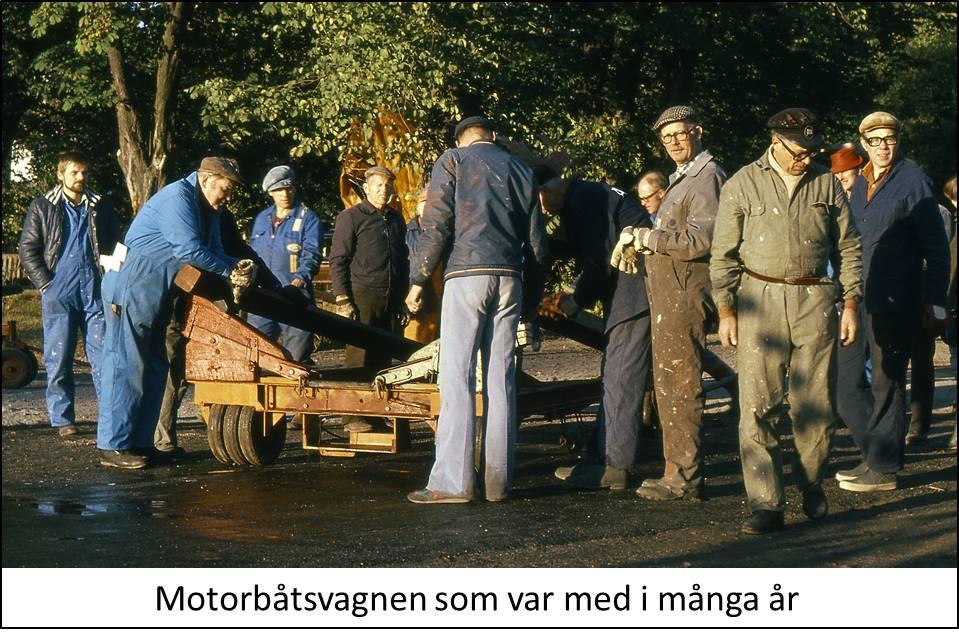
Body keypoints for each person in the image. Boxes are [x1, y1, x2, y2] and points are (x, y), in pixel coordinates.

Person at [710, 108, 862, 534]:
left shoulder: (827, 182)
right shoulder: (742, 183)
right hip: (760, 300)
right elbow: (722, 255)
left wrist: (850, 303)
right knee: (758, 407)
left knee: (817, 405)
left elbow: (848, 247)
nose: (805, 158)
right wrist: (725, 311)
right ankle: (767, 504)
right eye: (799, 150)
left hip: (816, 298)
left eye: (812, 150)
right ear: (776, 141)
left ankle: (812, 483)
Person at [405, 116, 549, 503]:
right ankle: (498, 483)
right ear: (494, 136)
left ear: (460, 140)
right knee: (500, 380)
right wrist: (531, 303)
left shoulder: (452, 161)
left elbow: (436, 224)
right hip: (511, 278)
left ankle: (454, 483)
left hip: (467, 274)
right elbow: (537, 242)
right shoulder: (520, 169)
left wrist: (418, 279)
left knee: (458, 376)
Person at [96, 157, 254, 469]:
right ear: (207, 179)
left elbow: (215, 249)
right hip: (132, 285)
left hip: (158, 291)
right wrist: (229, 270)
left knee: (155, 366)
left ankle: (142, 443)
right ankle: (113, 446)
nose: (228, 197)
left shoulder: (208, 208)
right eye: (226, 188)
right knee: (126, 363)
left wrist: (237, 267)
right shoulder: (177, 199)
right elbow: (190, 251)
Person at [836, 112, 949, 491]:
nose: (884, 146)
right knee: (846, 386)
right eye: (876, 140)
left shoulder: (914, 180)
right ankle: (877, 452)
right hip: (859, 297)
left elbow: (936, 247)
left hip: (898, 297)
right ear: (863, 143)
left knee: (887, 382)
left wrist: (935, 302)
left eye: (890, 139)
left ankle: (883, 469)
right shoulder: (860, 181)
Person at [630, 105, 726, 501]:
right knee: (670, 382)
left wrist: (650, 239)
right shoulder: (682, 179)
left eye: (679, 134)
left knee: (681, 383)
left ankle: (684, 478)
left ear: (698, 131)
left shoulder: (706, 178)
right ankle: (676, 471)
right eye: (666, 137)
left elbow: (701, 241)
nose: (672, 142)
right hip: (671, 292)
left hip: (686, 292)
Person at [538, 170, 653, 492]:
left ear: (548, 187)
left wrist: (574, 302)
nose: (543, 212)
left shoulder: (583, 200)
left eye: (539, 202)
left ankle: (615, 467)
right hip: (631, 292)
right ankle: (599, 458)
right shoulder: (589, 195)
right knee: (614, 376)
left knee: (621, 379)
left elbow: (598, 262)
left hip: (635, 293)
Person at [152, 208, 281, 460]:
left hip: (208, 303)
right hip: (175, 301)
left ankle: (198, 427)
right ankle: (162, 440)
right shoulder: (182, 214)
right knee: (172, 368)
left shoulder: (221, 216)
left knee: (212, 363)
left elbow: (239, 249)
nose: (227, 197)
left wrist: (273, 284)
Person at [18, 151, 120, 438]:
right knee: (58, 356)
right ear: (60, 174)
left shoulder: (100, 205)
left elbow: (114, 244)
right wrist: (46, 284)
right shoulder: (43, 206)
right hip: (58, 290)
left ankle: (110, 419)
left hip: (95, 290)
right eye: (75, 172)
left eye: (84, 172)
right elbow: (28, 249)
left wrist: (111, 280)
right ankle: (63, 420)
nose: (81, 178)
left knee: (103, 356)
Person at [330, 165, 409, 433]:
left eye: (388, 186)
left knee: (383, 359)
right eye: (378, 186)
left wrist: (401, 300)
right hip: (362, 295)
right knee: (358, 358)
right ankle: (351, 417)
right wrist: (343, 298)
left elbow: (402, 261)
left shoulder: (396, 220)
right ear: (366, 188)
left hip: (390, 298)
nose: (383, 191)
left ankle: (375, 415)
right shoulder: (351, 217)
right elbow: (338, 259)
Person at [246, 165, 323, 363]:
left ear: (295, 189)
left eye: (289, 188)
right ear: (270, 192)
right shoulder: (262, 218)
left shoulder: (308, 218)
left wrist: (300, 278)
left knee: (296, 358)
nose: (285, 194)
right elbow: (252, 252)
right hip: (263, 294)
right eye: (279, 190)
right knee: (254, 351)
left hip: (295, 295)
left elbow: (312, 253)